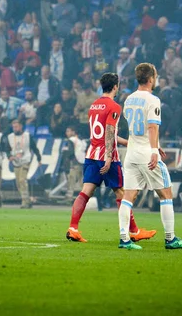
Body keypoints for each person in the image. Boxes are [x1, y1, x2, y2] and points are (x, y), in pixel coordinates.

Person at [67, 72, 156, 244]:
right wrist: (108, 157)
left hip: (92, 153)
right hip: (107, 155)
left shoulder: (93, 106)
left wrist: (126, 142)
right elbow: (108, 132)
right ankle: (134, 231)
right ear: (115, 86)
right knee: (121, 192)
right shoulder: (114, 106)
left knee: (86, 192)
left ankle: (73, 228)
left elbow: (106, 133)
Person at [117, 64, 182, 250]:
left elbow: (135, 126)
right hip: (146, 153)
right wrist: (154, 150)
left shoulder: (128, 99)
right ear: (151, 79)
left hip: (132, 153)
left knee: (128, 196)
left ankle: (124, 239)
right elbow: (152, 126)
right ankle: (170, 238)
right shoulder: (153, 100)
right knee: (165, 193)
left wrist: (156, 145)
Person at [3, 120, 42, 208]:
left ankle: (24, 202)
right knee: (18, 183)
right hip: (16, 162)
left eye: (16, 127)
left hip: (25, 160)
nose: (15, 129)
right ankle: (27, 200)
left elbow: (34, 148)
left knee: (22, 180)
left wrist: (39, 159)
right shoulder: (10, 137)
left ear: (21, 126)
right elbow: (7, 149)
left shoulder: (28, 136)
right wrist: (9, 156)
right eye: (13, 127)